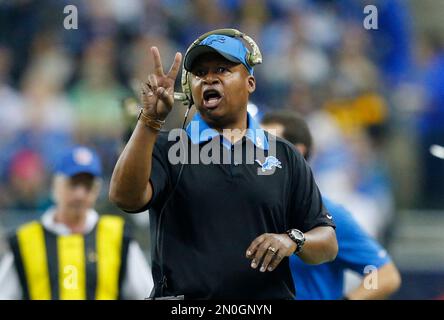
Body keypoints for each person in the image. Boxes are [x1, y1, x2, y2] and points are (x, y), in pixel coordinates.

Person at [109, 29, 338, 299]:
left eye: (222, 69)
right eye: (200, 73)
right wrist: (149, 119)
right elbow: (125, 198)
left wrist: (293, 240)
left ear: (250, 83)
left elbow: (327, 243)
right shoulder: (166, 147)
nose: (209, 78)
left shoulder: (284, 155)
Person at [261, 110, 401, 300]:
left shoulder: (329, 215)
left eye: (267, 145)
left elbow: (383, 274)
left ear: (297, 152)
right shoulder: (246, 210)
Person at [0, 146, 153, 300]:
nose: (80, 194)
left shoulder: (118, 237)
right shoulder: (24, 241)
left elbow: (145, 293)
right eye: (73, 184)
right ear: (56, 186)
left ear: (96, 190)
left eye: (87, 186)